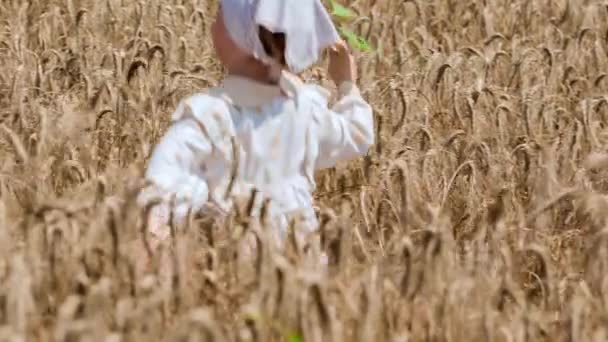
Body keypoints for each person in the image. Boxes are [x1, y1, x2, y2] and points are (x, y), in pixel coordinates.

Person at [136, 0, 374, 262]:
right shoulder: (305, 109)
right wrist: (347, 85)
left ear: (240, 37)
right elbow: (357, 133)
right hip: (303, 278)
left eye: (221, 17)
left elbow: (155, 207)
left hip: (236, 282)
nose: (213, 25)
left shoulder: (208, 118)